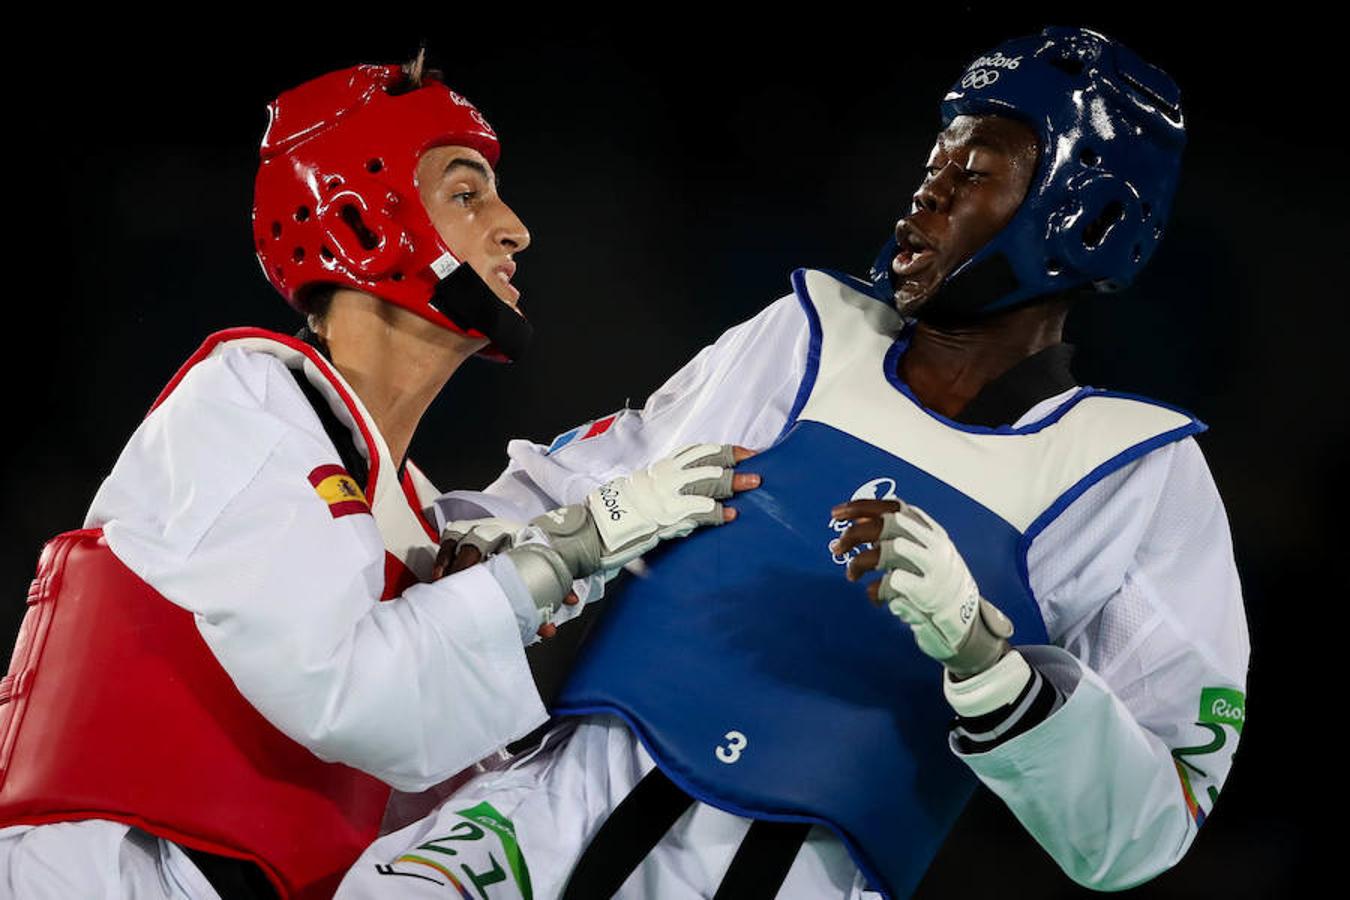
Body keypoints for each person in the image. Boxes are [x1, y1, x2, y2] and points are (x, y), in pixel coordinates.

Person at [338, 26, 1251, 899]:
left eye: (971, 174)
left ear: (1084, 222)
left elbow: (1143, 832)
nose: (925, 196)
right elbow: (564, 490)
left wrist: (989, 662)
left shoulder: (1133, 477)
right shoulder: (808, 337)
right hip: (545, 814)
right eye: (931, 166)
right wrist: (484, 548)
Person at [0, 55, 753, 899]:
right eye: (467, 194)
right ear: (360, 224)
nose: (514, 229)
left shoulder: (415, 523)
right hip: (99, 872)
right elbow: (345, 691)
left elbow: (433, 816)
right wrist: (561, 557)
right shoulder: (245, 396)